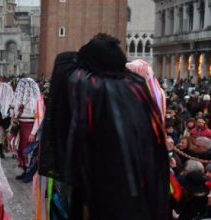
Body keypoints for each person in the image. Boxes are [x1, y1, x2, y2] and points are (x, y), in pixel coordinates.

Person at [38, 33, 169, 219]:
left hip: (98, 188)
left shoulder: (89, 89)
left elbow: (64, 62)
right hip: (137, 188)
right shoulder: (137, 87)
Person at [12, 78, 44, 179]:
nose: (24, 88)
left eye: (26, 86)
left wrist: (33, 133)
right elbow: (16, 112)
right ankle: (25, 170)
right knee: (21, 149)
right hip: (21, 127)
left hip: (30, 127)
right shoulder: (20, 100)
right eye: (23, 86)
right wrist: (15, 117)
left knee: (28, 150)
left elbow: (40, 116)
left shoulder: (37, 100)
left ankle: (30, 173)